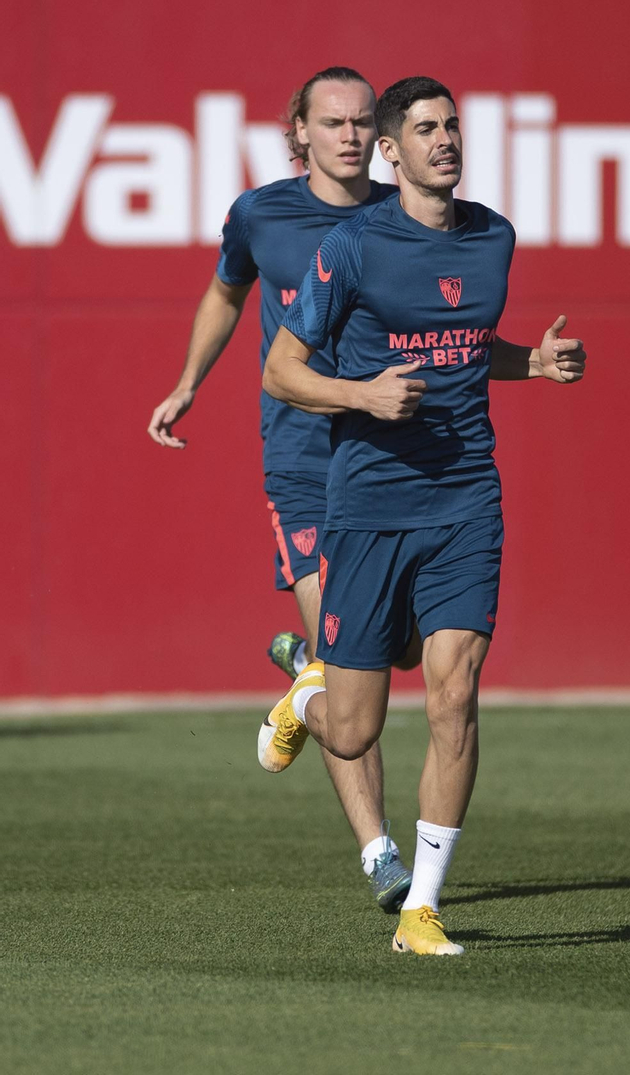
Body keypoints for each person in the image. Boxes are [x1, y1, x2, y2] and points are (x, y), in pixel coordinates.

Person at [257, 75, 588, 956]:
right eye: (426, 129)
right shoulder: (353, 245)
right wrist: (359, 394)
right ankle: (307, 692)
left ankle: (422, 908)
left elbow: (469, 354)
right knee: (358, 725)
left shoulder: (493, 238)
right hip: (367, 505)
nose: (445, 140)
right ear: (392, 152)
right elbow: (281, 371)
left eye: (453, 126)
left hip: (467, 498)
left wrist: (536, 364)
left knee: (454, 694)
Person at [144, 67, 413, 910]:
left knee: (398, 653)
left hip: (391, 464)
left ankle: (303, 678)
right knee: (356, 665)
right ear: (298, 129)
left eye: (363, 121)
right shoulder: (260, 213)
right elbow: (227, 291)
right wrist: (189, 380)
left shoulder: (402, 220)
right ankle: (379, 852)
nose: (350, 135)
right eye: (332, 121)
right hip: (302, 470)